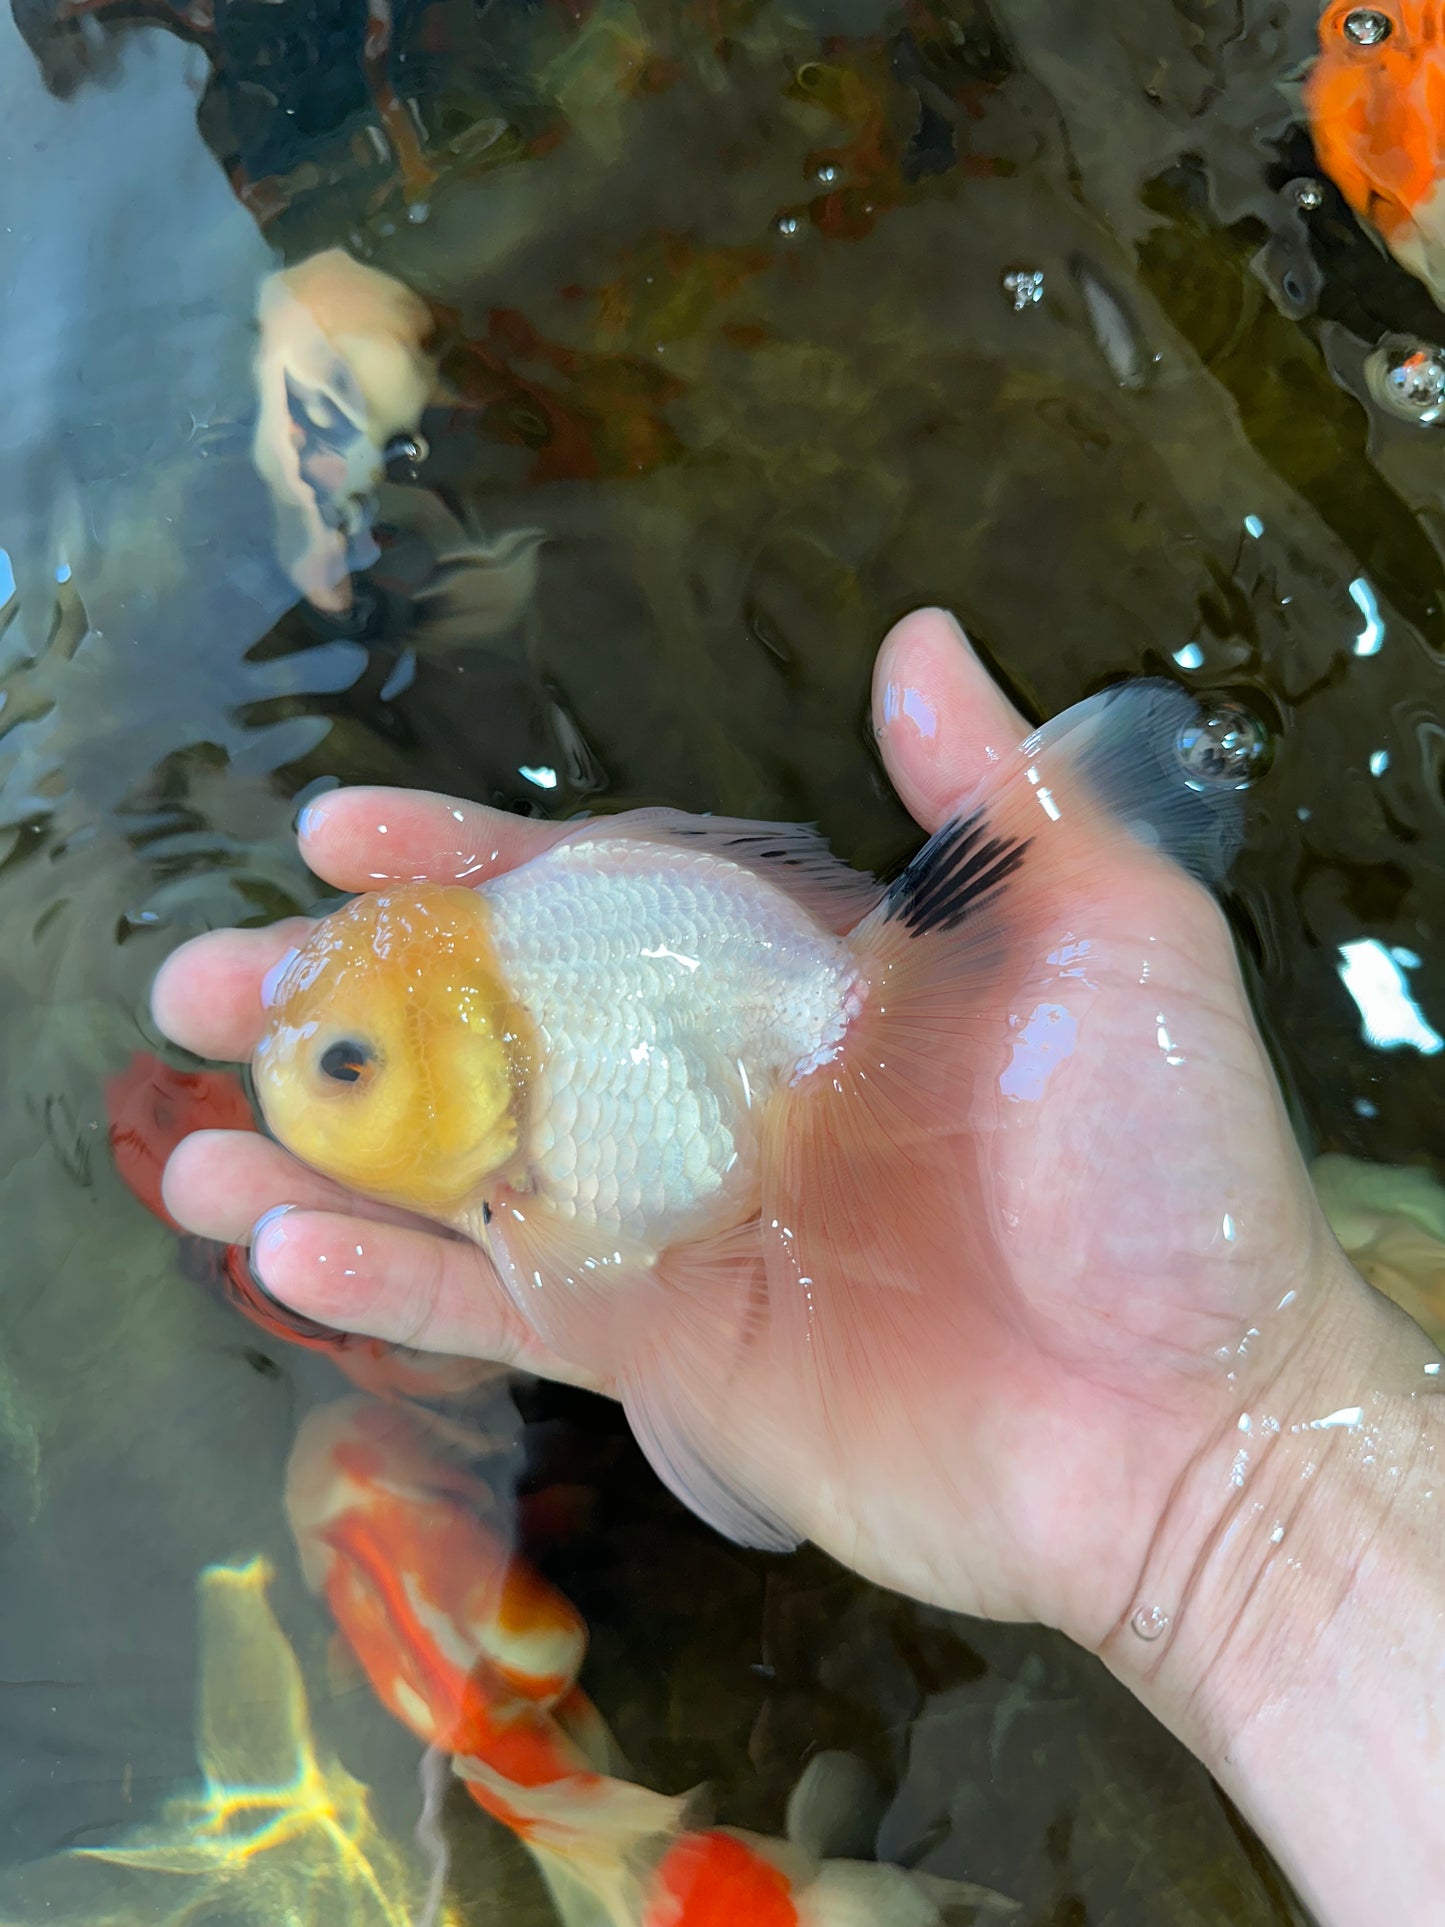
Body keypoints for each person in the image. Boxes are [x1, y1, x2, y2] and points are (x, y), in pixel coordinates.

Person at [151, 607, 1445, 1925]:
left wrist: (1236, 1459)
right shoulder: (522, 1074)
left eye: (349, 1067)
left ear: (468, 1064)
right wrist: (1247, 1474)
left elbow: (626, 1284)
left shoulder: (546, 1124)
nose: (303, 1086)